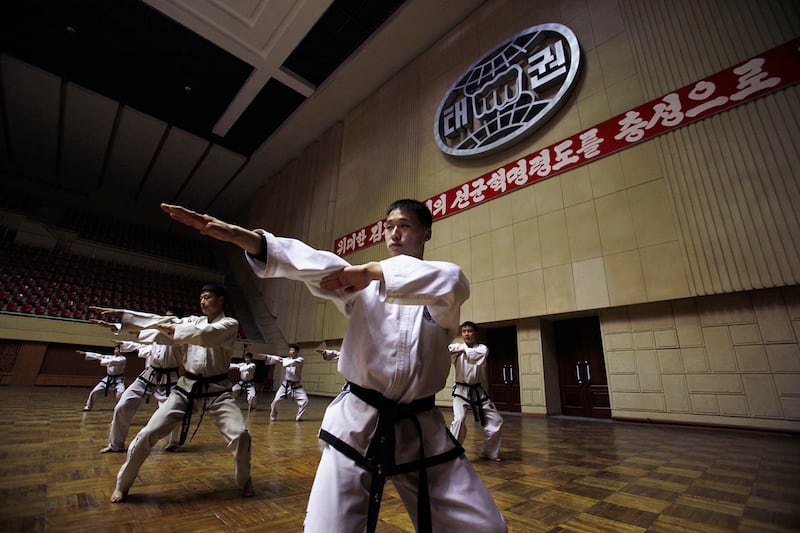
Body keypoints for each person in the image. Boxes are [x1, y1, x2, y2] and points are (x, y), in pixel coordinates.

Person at [161, 200, 506, 533]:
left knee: (485, 526)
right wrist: (236, 235)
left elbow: (452, 278)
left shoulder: (440, 286)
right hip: (358, 423)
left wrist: (368, 272)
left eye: (404, 226)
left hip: (422, 429)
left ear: (426, 233)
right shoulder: (359, 287)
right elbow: (305, 261)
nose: (394, 233)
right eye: (389, 227)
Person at [89, 284, 253, 502]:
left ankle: (244, 480)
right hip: (186, 388)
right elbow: (161, 324)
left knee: (241, 435)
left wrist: (174, 329)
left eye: (207, 297)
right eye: (201, 298)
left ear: (220, 299)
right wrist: (123, 321)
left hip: (218, 391)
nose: (202, 301)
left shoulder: (230, 324)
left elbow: (204, 335)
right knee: (147, 433)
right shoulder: (192, 321)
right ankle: (123, 484)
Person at [91, 307, 186, 454]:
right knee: (122, 405)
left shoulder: (182, 335)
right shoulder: (157, 332)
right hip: (149, 374)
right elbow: (141, 338)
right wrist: (115, 327)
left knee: (171, 412)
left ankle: (172, 443)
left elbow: (148, 333)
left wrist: (120, 327)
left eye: (170, 318)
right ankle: (116, 445)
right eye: (164, 317)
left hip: (170, 378)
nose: (165, 320)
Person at [449, 321, 504, 462]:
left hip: (478, 391)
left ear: (475, 333)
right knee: (459, 420)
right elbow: (448, 350)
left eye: (470, 331)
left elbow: (476, 355)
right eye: (464, 331)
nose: (466, 334)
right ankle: (452, 453)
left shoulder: (482, 348)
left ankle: (488, 451)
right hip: (461, 390)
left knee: (496, 420)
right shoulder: (456, 347)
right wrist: (455, 350)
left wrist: (464, 351)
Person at [261, 344, 308, 421]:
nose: (291, 352)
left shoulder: (300, 359)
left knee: (305, 400)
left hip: (296, 385)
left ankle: (298, 417)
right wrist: (267, 356)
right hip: (285, 384)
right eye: (290, 350)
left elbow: (292, 363)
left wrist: (282, 361)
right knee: (276, 400)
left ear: (297, 352)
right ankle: (273, 415)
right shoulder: (286, 359)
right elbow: (277, 358)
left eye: (292, 350)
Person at [78, 345, 128, 411]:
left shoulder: (123, 359)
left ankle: (121, 407)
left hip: (118, 379)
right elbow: (99, 356)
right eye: (115, 349)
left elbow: (112, 361)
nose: (116, 351)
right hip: (108, 378)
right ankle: (88, 406)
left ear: (122, 351)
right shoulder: (110, 357)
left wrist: (103, 359)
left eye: (118, 349)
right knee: (95, 391)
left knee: (121, 393)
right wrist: (86, 353)